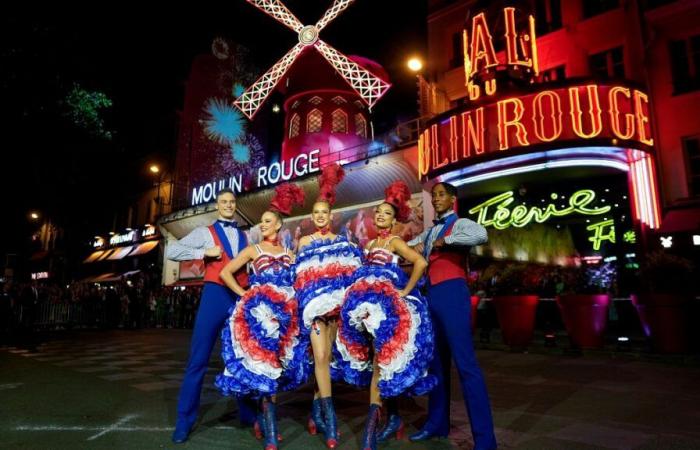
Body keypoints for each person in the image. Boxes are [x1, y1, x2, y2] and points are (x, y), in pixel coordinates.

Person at [334, 181, 435, 450]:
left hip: (387, 310)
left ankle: (370, 430)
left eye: (386, 213)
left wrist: (406, 291)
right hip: (365, 308)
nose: (380, 216)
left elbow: (421, 262)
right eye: (378, 212)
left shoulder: (394, 241)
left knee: (381, 361)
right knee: (378, 362)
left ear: (393, 219)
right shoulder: (369, 244)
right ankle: (394, 419)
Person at [217, 183, 308, 450]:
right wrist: (244, 294)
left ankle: (264, 421)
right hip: (259, 316)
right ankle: (270, 428)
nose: (263, 224)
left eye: (268, 221)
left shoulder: (290, 255)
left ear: (279, 225)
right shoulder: (253, 250)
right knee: (264, 368)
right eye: (262, 221)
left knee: (276, 369)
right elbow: (225, 273)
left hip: (285, 318)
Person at [408, 182, 497, 449]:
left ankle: (485, 441)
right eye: (434, 195)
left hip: (453, 294)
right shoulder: (428, 232)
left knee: (466, 366)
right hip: (431, 297)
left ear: (453, 199)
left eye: (441, 195)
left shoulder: (460, 224)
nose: (436, 199)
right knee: (436, 365)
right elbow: (407, 245)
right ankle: (437, 424)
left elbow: (481, 235)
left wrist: (446, 240)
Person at [165, 188, 256, 443]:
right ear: (217, 206)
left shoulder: (245, 236)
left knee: (243, 358)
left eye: (231, 202)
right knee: (198, 359)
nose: (228, 205)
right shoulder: (205, 232)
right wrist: (202, 253)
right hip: (214, 295)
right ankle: (184, 421)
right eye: (223, 202)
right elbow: (172, 250)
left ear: (235, 206)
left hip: (238, 296)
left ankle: (248, 413)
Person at [294, 164, 363, 449]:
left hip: (334, 309)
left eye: (324, 213)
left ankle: (316, 413)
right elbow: (298, 275)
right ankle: (331, 420)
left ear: (331, 216)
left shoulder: (342, 241)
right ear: (312, 217)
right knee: (320, 357)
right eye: (316, 213)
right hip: (312, 309)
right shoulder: (304, 241)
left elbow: (349, 275)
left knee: (327, 359)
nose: (320, 217)